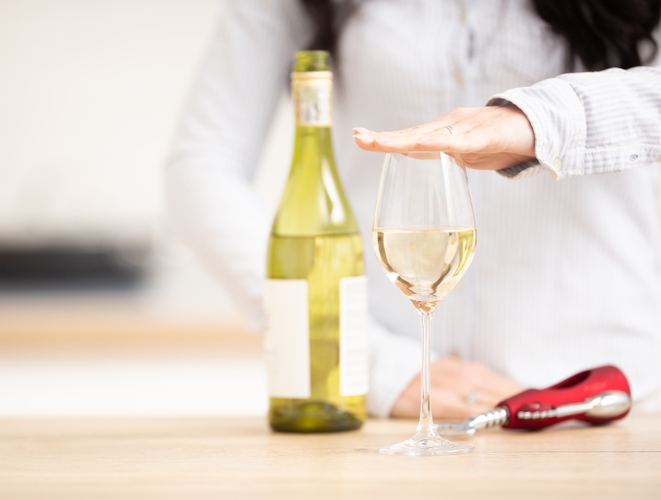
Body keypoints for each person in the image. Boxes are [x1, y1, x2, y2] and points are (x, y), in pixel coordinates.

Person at [165, 0, 661, 419]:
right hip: (390, 409)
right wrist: (364, 357)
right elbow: (202, 165)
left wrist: (542, 120)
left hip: (601, 405)